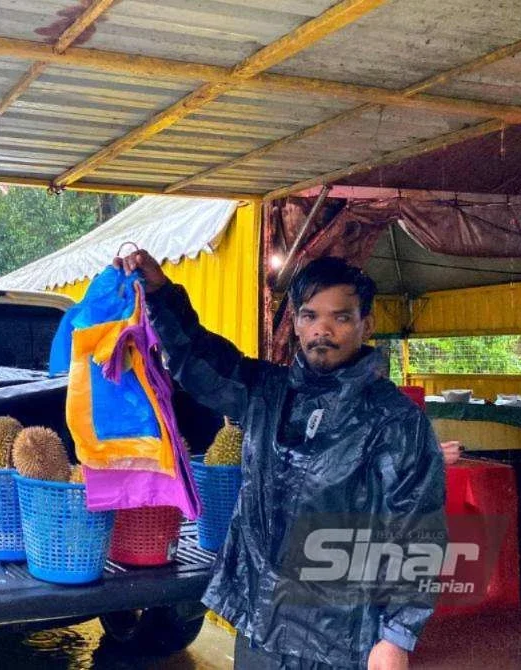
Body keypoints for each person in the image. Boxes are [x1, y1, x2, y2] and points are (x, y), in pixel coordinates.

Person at [115, 252, 447, 670]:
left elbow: (418, 531)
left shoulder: (395, 421)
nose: (322, 330)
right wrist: (161, 294)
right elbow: (197, 359)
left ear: (367, 324)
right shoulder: (264, 392)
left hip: (339, 643)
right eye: (309, 316)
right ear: (295, 321)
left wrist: (396, 636)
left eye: (340, 318)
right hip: (260, 629)